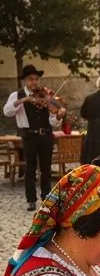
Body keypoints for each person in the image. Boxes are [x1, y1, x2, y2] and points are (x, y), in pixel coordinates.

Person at [3, 64, 64, 210]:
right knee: (30, 169)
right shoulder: (16, 95)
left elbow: (52, 122)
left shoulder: (45, 95)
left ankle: (46, 197)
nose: (34, 82)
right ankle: (31, 200)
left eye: (36, 79)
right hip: (29, 136)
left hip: (46, 135)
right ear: (25, 81)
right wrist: (24, 100)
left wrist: (58, 116)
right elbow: (7, 111)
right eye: (31, 79)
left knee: (46, 169)